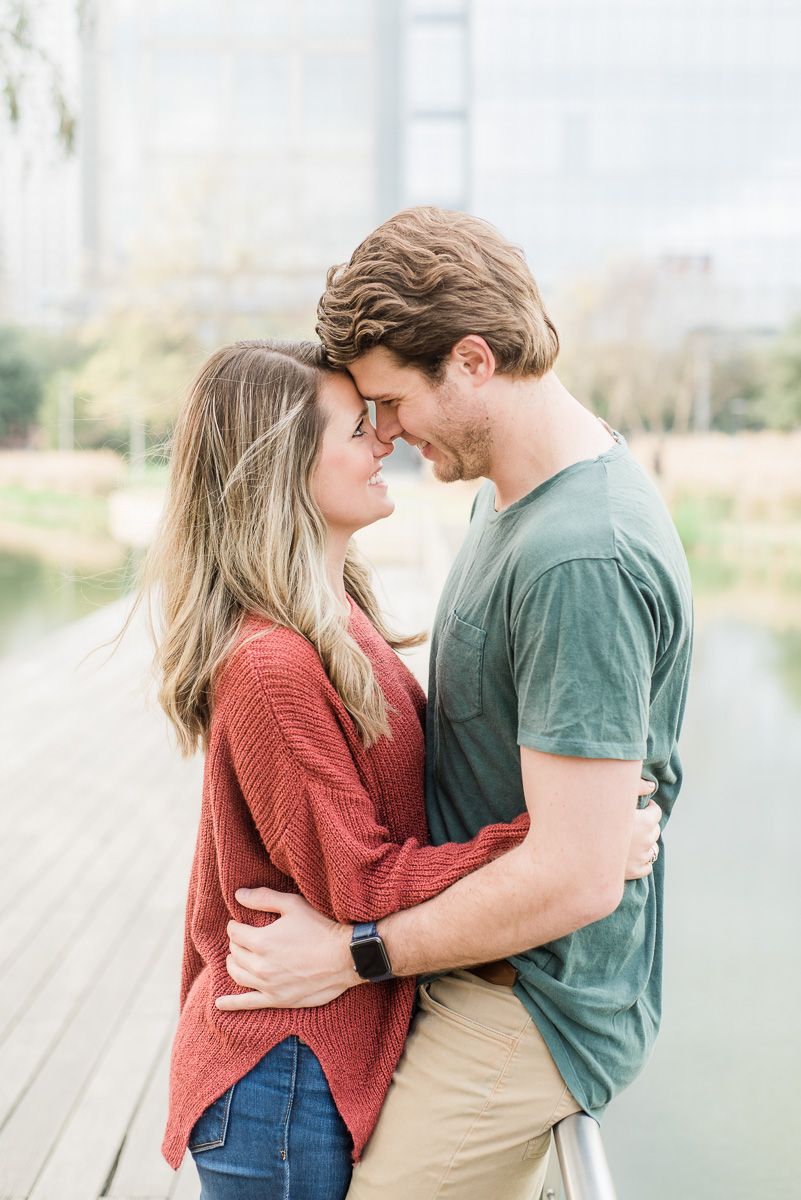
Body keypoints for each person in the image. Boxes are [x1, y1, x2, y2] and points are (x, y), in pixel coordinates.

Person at [216, 208, 694, 1200]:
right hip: (465, 972)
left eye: (392, 401)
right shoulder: (510, 498)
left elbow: (574, 878)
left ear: (473, 361)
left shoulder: (579, 557)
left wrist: (352, 955)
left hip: (524, 1003)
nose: (387, 433)